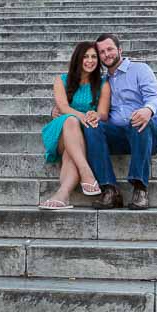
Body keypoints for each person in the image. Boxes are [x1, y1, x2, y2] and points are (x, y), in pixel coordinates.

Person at [81, 33, 157, 211]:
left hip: (147, 134)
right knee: (92, 126)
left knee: (138, 121)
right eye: (101, 52)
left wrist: (147, 110)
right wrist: (57, 109)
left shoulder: (140, 69)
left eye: (110, 49)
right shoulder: (103, 82)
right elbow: (84, 102)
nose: (106, 54)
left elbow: (154, 98)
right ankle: (110, 189)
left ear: (119, 50)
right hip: (119, 136)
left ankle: (140, 188)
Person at [38, 41, 111, 210]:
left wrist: (95, 115)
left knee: (72, 153)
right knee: (70, 120)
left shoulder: (103, 83)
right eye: (85, 56)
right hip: (61, 132)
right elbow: (63, 107)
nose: (90, 60)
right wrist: (83, 116)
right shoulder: (61, 80)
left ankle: (62, 195)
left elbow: (103, 113)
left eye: (94, 57)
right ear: (77, 59)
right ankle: (86, 171)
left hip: (83, 134)